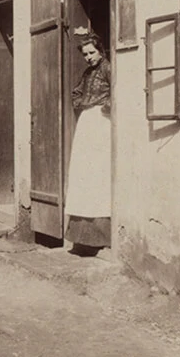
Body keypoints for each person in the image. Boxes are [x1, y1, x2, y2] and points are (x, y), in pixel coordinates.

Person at [65, 30, 112, 255]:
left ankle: (101, 235)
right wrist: (81, 103)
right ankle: (82, 238)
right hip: (87, 120)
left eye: (92, 52)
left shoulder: (109, 68)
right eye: (85, 54)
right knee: (83, 172)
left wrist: (107, 105)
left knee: (98, 173)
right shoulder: (87, 73)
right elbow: (76, 92)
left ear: (101, 50)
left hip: (103, 122)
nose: (89, 57)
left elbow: (119, 90)